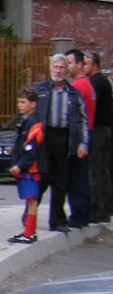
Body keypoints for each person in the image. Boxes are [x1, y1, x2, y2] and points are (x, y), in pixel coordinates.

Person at [33, 54, 88, 233]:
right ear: (50, 68)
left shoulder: (74, 93)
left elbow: (82, 119)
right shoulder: (39, 89)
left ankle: (57, 220)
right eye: (55, 67)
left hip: (64, 139)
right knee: (41, 179)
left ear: (67, 70)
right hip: (44, 137)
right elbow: (28, 114)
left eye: (62, 67)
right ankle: (30, 214)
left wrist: (83, 144)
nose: (58, 71)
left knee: (60, 181)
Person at [7, 88, 46, 244]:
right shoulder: (27, 120)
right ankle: (29, 231)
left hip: (31, 168)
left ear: (33, 104)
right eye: (19, 102)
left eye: (23, 102)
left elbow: (31, 148)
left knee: (31, 199)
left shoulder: (34, 122)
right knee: (30, 199)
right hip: (28, 167)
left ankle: (29, 233)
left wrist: (20, 165)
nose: (20, 105)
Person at [64, 49, 94, 228]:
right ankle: (84, 214)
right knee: (81, 177)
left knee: (75, 178)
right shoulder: (87, 84)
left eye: (70, 62)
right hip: (88, 133)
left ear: (80, 64)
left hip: (80, 136)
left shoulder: (78, 87)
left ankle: (78, 216)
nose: (67, 66)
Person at [84, 51, 112, 223]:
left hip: (98, 129)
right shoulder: (103, 81)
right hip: (104, 129)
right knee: (102, 170)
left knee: (95, 171)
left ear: (94, 65)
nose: (83, 66)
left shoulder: (96, 82)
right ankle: (105, 209)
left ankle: (96, 211)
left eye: (86, 63)